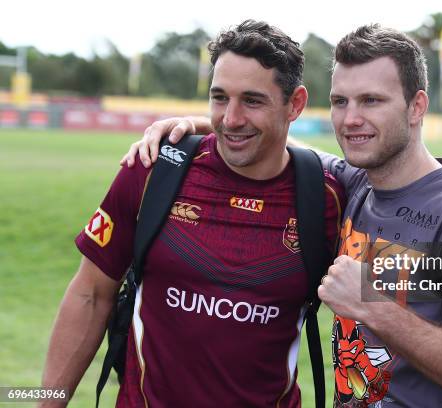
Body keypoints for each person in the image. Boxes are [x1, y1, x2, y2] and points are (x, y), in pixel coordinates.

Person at [123, 25, 442, 408]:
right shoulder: (354, 183)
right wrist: (200, 124)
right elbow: (275, 137)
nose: (350, 120)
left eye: (372, 101)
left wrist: (372, 305)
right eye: (340, 101)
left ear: (416, 106)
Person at [41, 20, 344, 408]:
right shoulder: (153, 168)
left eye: (252, 101)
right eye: (220, 98)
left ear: (295, 104)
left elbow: (387, 296)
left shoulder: (328, 199)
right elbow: (91, 294)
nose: (230, 119)